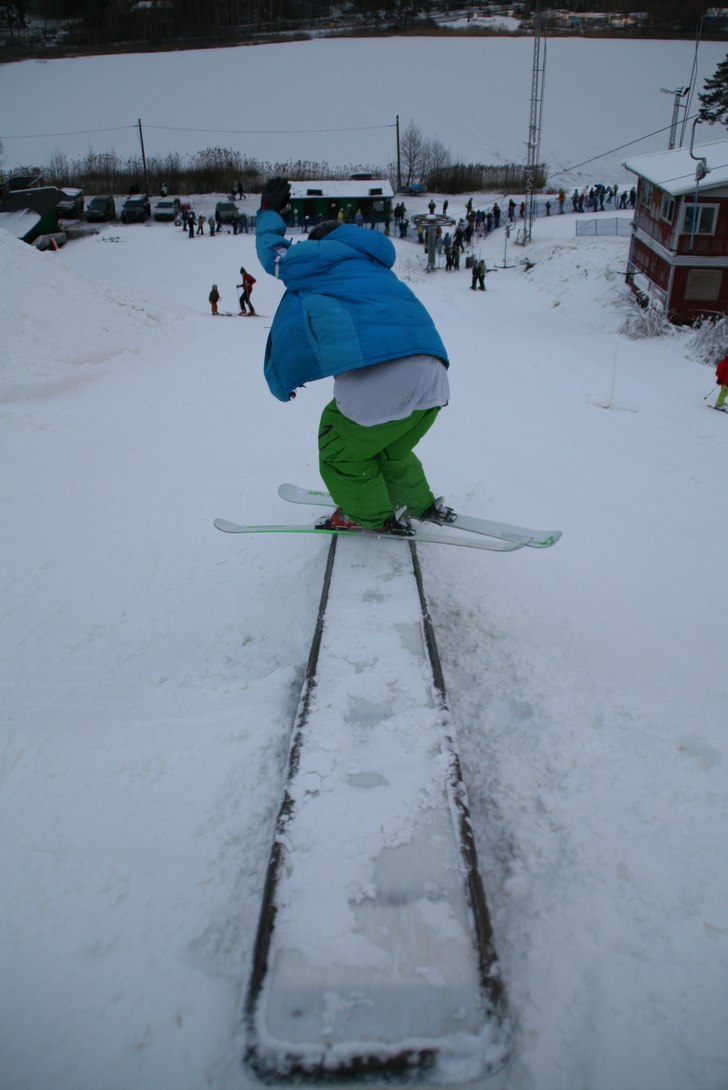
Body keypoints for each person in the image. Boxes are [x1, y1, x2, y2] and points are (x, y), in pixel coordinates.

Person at [255, 176, 453, 535]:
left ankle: (366, 514)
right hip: (435, 377)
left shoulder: (318, 258)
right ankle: (418, 502)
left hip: (383, 378)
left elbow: (275, 256)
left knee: (340, 451)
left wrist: (269, 212)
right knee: (390, 448)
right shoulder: (375, 265)